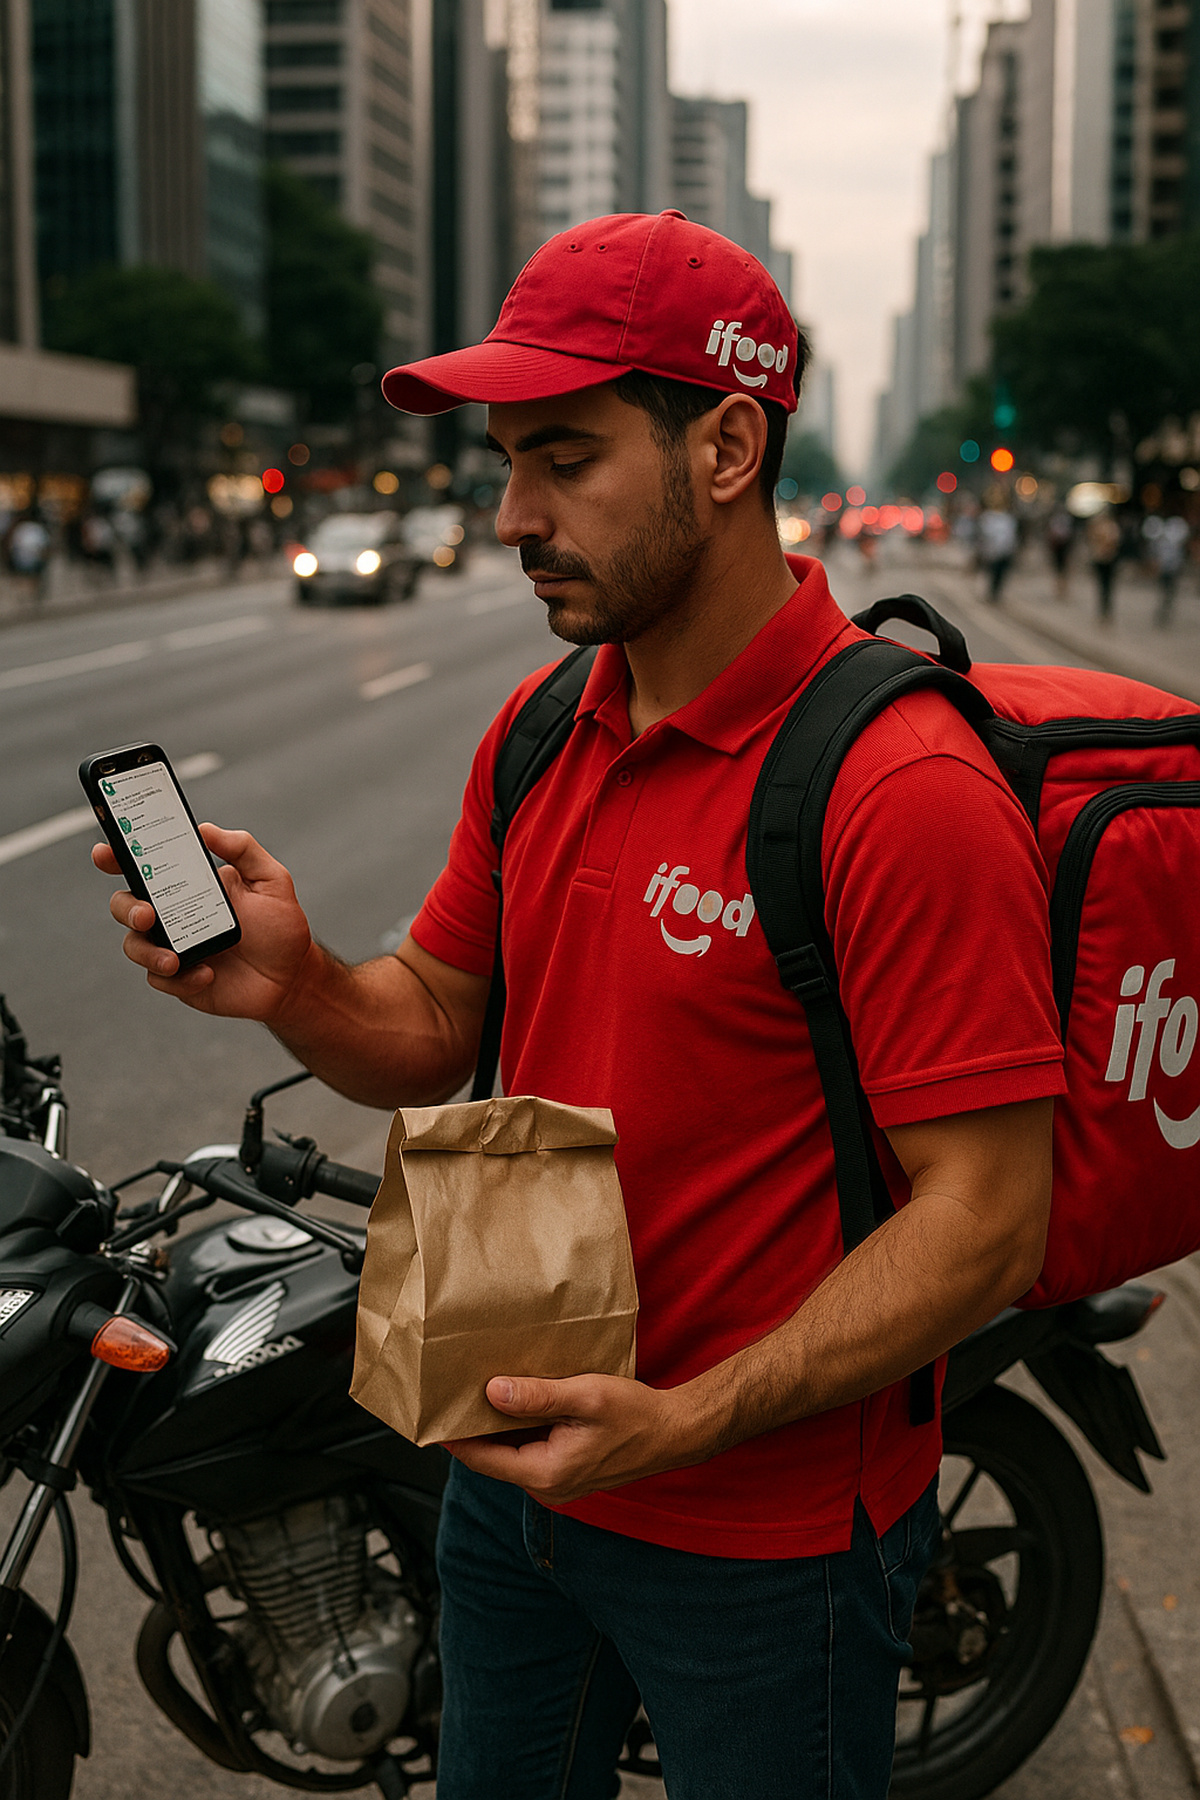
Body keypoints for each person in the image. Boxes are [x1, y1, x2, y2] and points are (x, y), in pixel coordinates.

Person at [95, 211, 1063, 1800]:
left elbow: (990, 1219)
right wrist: (298, 983)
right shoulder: (546, 724)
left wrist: (685, 1421)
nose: (511, 517)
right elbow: (436, 1025)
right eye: (503, 465)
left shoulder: (899, 787)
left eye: (564, 459)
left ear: (728, 448)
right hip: (515, 1494)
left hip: (767, 1548)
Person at [1143, 511, 1190, 625]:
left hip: (1172, 569)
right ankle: (1164, 610)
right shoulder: (1160, 540)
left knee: (1169, 592)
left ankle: (1165, 610)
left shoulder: (1174, 542)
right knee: (1166, 591)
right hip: (1165, 569)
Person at [1085, 506, 1122, 622]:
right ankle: (1103, 611)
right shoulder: (1100, 527)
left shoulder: (1112, 527)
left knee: (1107, 586)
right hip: (1101, 558)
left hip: (1108, 559)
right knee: (1103, 586)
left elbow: (1115, 542)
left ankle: (1106, 611)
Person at [976, 502, 1018, 602]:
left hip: (1005, 552)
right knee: (992, 573)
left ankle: (996, 592)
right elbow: (985, 535)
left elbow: (1011, 536)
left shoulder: (1009, 520)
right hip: (993, 552)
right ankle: (991, 592)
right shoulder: (988, 518)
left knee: (1001, 574)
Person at [1045, 505, 1074, 599]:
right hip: (1057, 546)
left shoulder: (1067, 520)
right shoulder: (1055, 521)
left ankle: (1062, 587)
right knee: (1058, 567)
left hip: (1065, 546)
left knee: (1063, 568)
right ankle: (1059, 586)